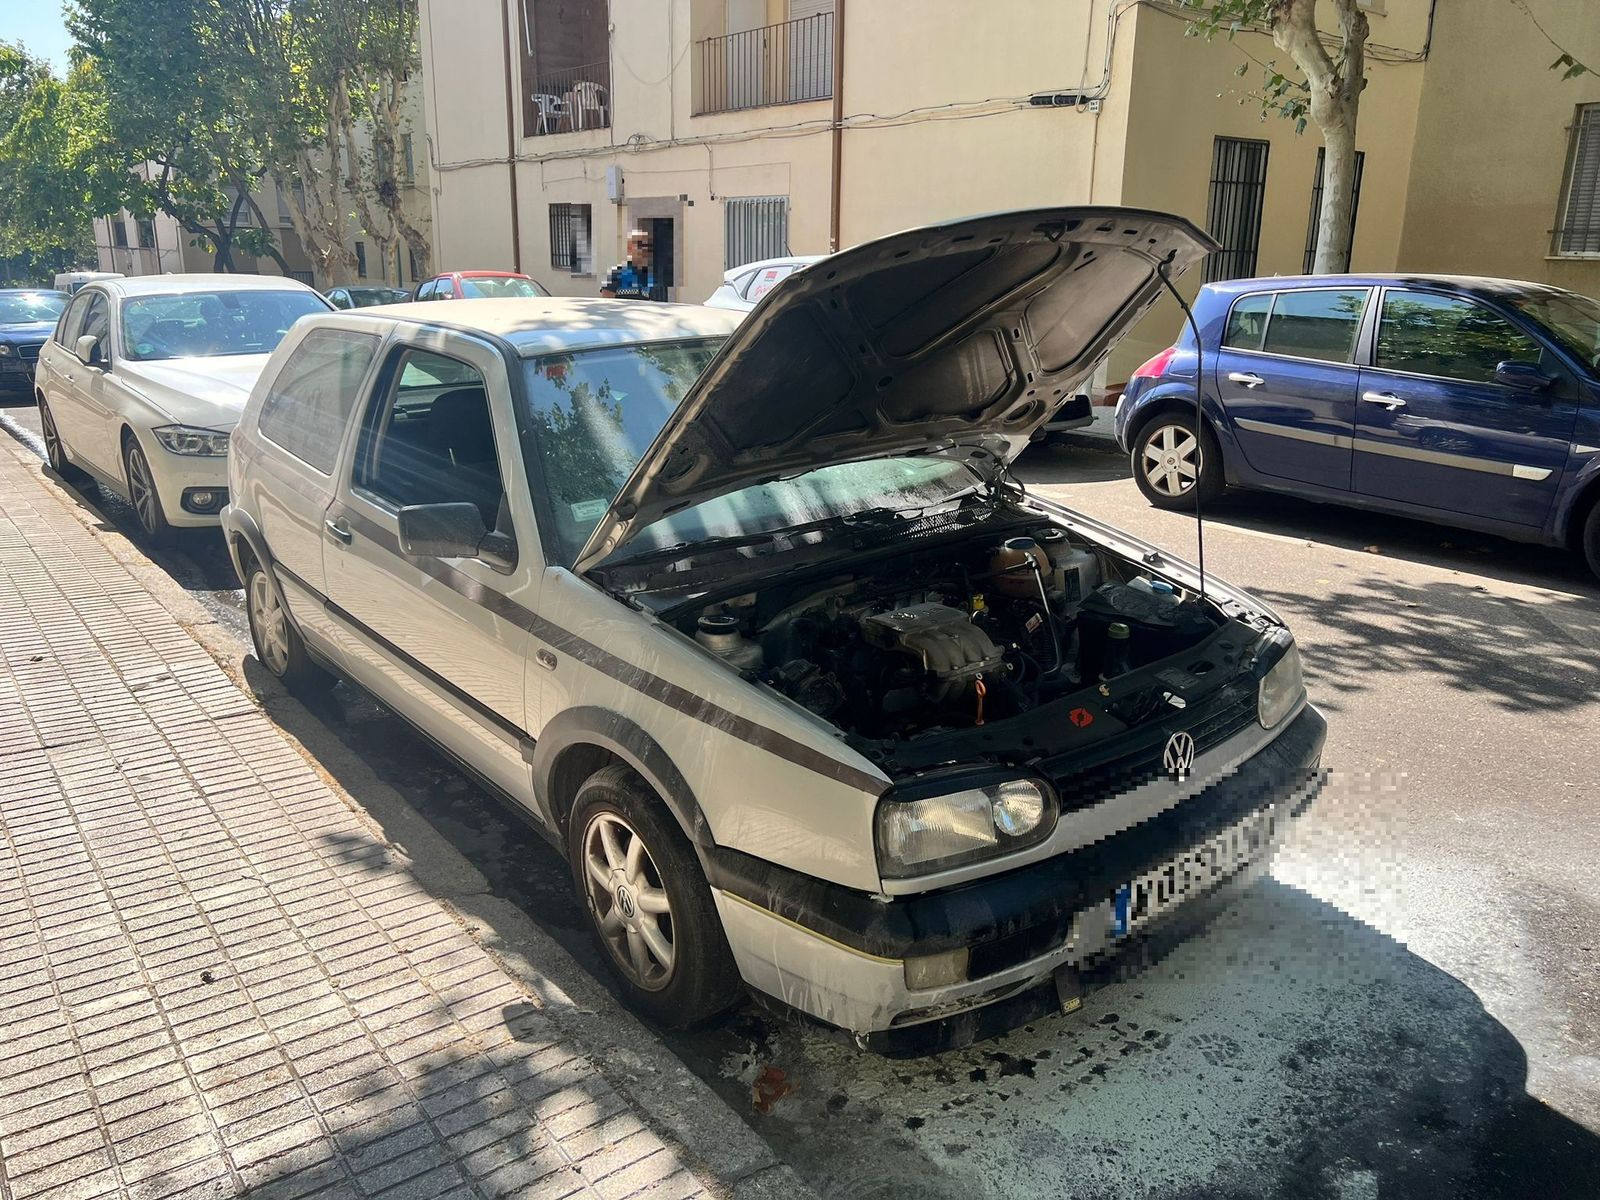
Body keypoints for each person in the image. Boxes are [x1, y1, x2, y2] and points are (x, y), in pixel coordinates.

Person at [600, 229, 659, 300]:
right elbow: (607, 304)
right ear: (630, 248)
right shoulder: (614, 273)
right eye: (640, 245)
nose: (644, 248)